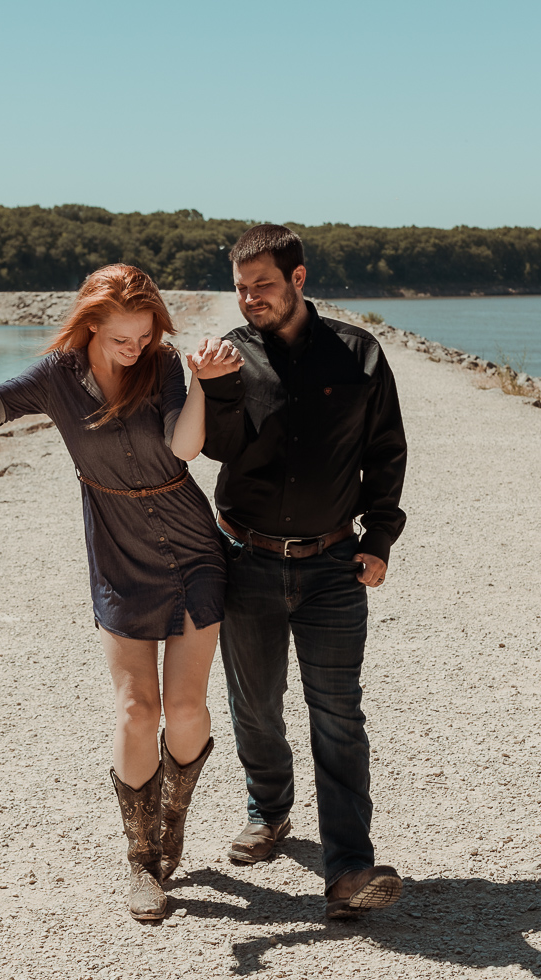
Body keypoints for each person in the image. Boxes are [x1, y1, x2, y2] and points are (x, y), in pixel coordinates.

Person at [0, 265, 243, 921]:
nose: (133, 350)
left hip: (193, 554)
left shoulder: (162, 366)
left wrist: (207, 389)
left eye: (143, 336)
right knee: (138, 710)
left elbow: (183, 448)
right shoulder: (55, 377)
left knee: (186, 712)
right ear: (90, 327)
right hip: (119, 555)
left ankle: (172, 814)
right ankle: (142, 860)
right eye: (121, 340)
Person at [191, 225, 408, 920]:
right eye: (241, 287)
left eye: (264, 284)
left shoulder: (359, 355)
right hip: (246, 558)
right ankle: (270, 810)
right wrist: (215, 389)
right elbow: (215, 451)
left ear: (299, 279)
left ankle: (348, 868)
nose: (251, 298)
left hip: (333, 566)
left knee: (338, 713)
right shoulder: (232, 356)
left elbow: (386, 450)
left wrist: (381, 538)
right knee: (254, 706)